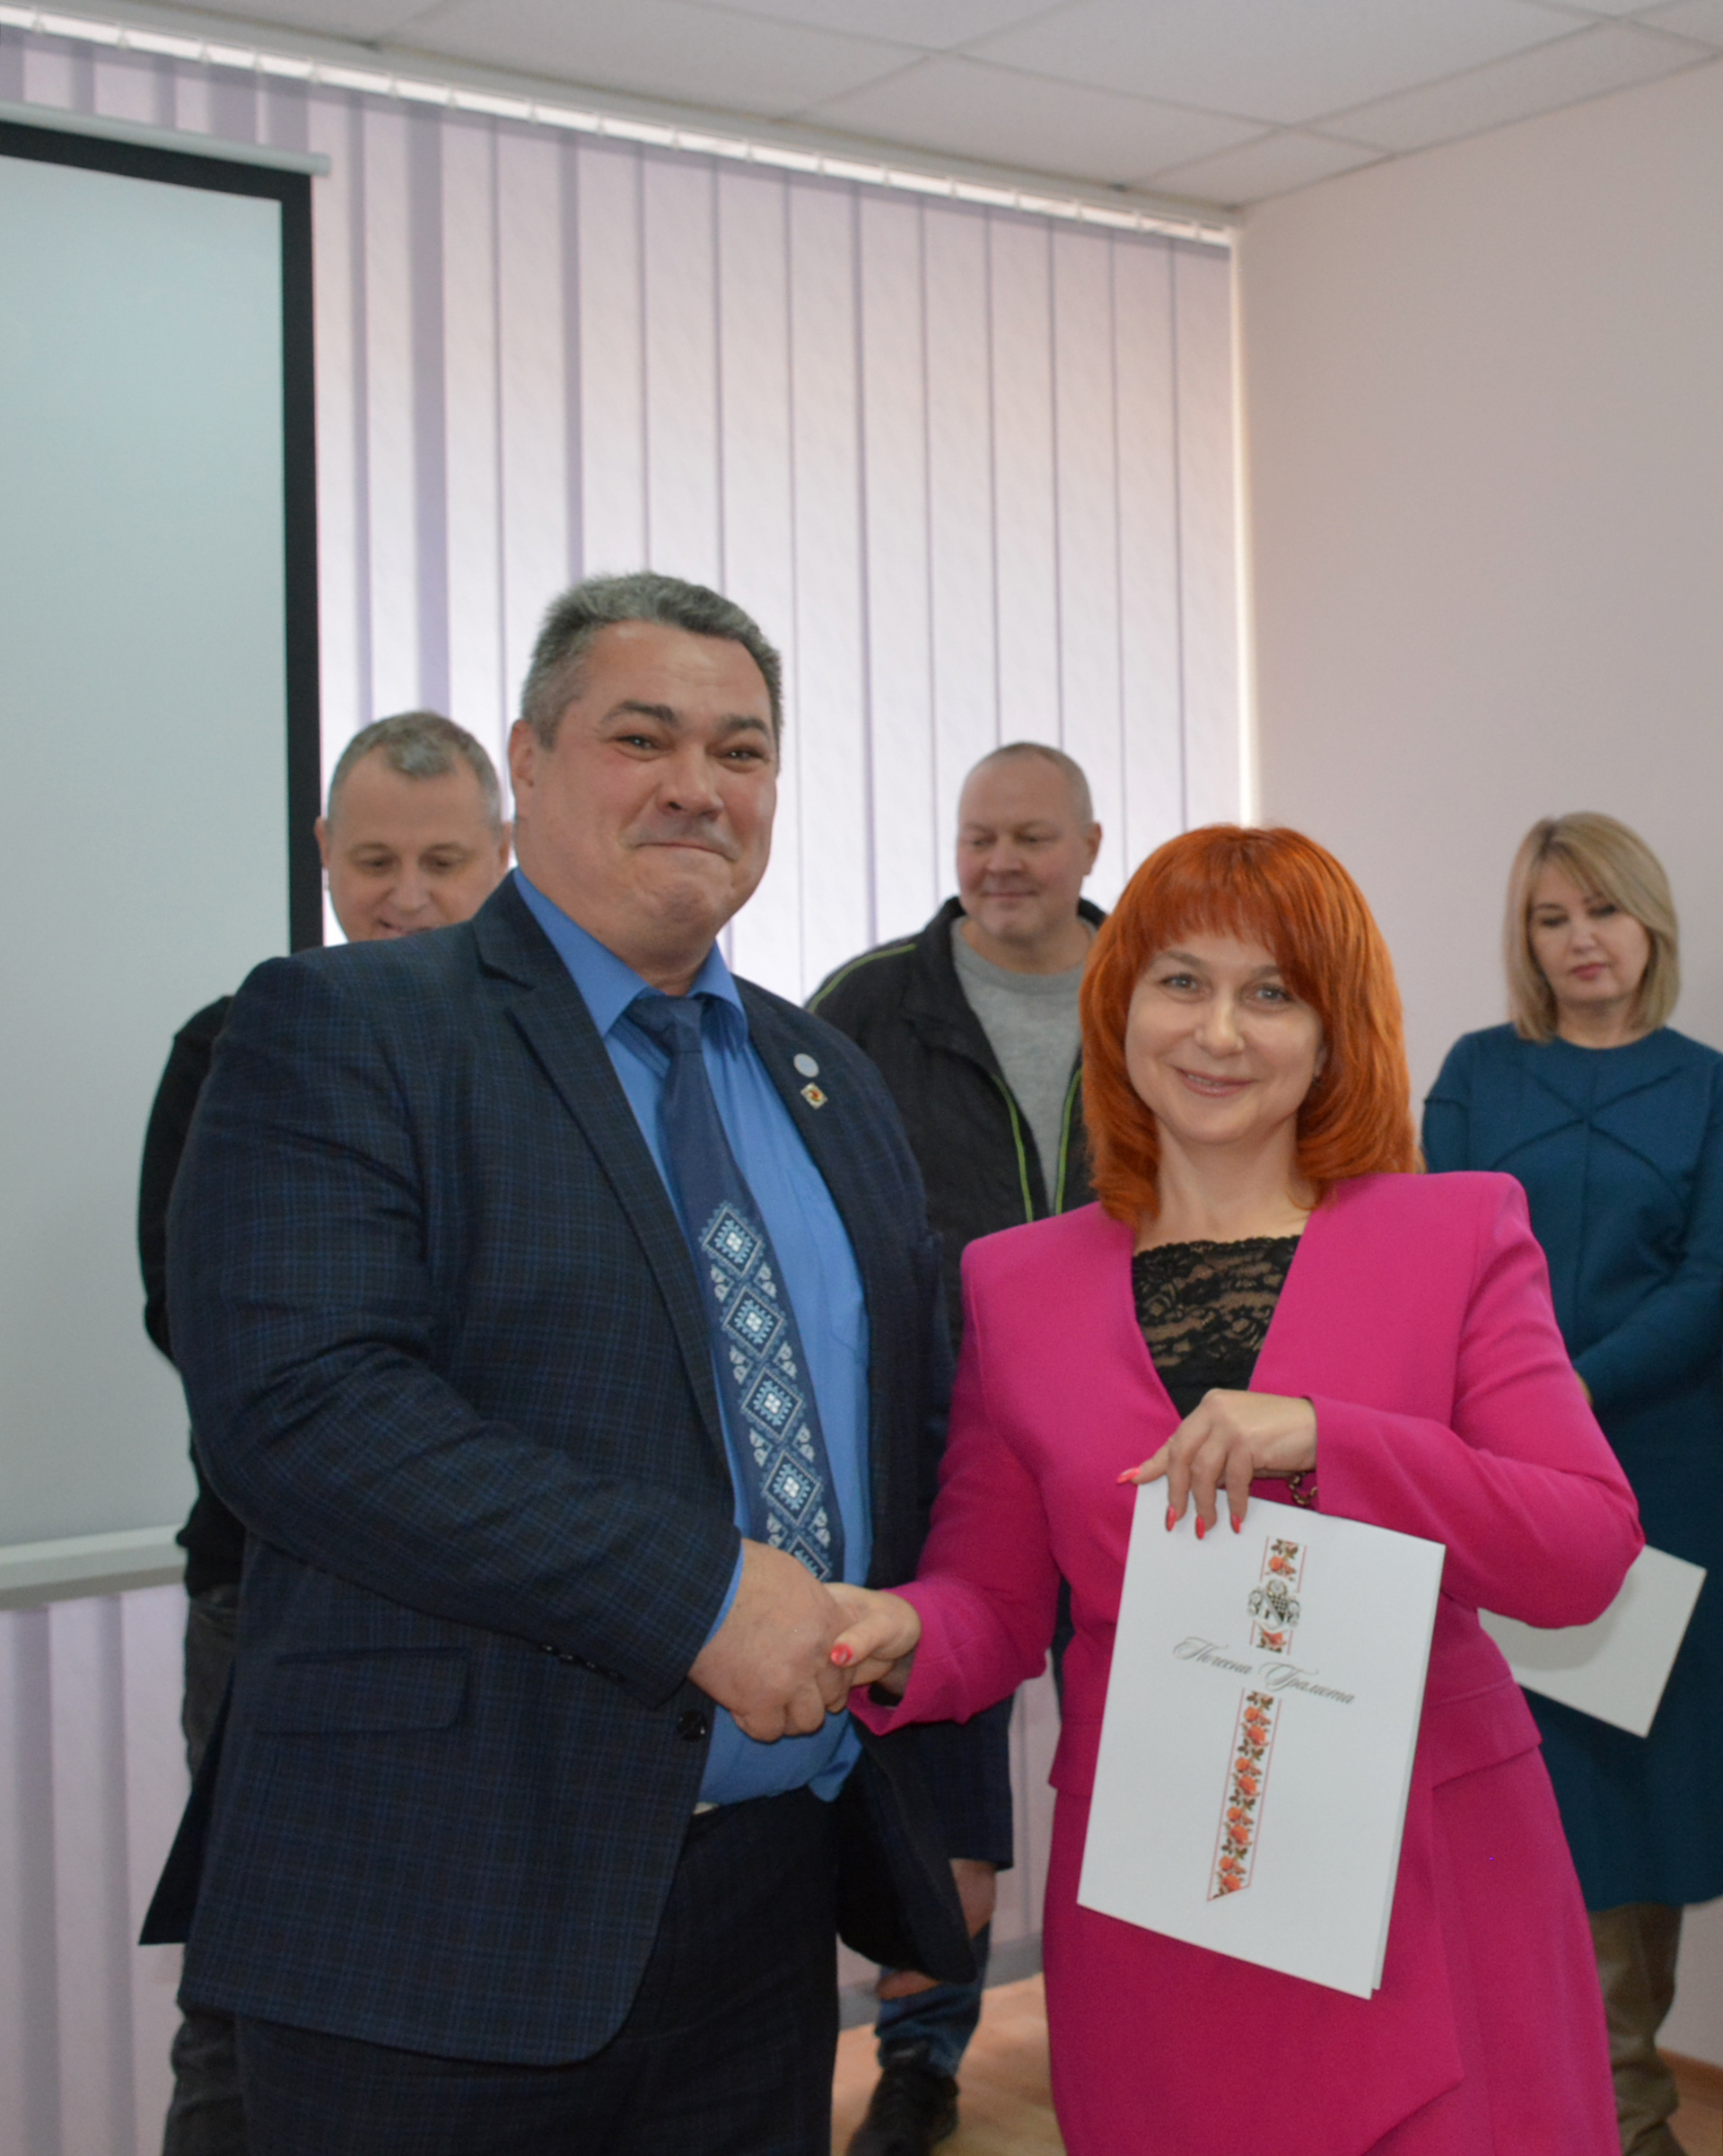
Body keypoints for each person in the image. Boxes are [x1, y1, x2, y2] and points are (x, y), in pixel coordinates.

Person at [141, 572, 996, 2156]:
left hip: (763, 1912)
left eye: (741, 749)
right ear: (527, 763)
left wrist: (951, 1797)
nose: (698, 785)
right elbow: (304, 1410)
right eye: (642, 737)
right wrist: (700, 1593)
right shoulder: (344, 1026)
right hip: (437, 1910)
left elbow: (916, 1451)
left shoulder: (826, 1075)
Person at [827, 823, 1641, 2156]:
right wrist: (896, 1630)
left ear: (1334, 1033)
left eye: (1272, 992)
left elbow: (1584, 1550)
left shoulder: (1457, 1233)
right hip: (1162, 1880)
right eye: (1181, 982)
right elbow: (995, 1595)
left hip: (1432, 1870)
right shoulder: (1016, 1283)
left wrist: (1331, 1439)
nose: (1219, 1031)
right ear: (1120, 1006)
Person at [139, 709, 512, 2155]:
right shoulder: (242, 1043)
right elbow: (210, 1330)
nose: (404, 896)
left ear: (503, 852)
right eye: (372, 862)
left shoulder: (559, 1056)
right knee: (252, 1998)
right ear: (323, 857)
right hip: (275, 1591)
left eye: (441, 861)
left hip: (516, 1598)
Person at [809, 741, 1102, 2155]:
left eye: (1029, 836)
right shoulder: (867, 1006)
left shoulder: (1160, 984)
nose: (998, 862)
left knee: (1144, 1738)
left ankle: (1134, 2027)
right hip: (942, 1439)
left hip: (1135, 1442)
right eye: (978, 834)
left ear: (1089, 846)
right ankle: (920, 2061)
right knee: (940, 1763)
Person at [1423, 811, 1723, 2156]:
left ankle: (1630, 2109)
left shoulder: (1708, 1086)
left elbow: (1712, 1282)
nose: (1580, 938)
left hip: (1662, 1483)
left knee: (1636, 1799)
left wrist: (1563, 1392)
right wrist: (1517, 1413)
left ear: (1649, 922)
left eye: (1602, 909)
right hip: (1495, 1480)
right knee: (1509, 1777)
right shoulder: (1477, 1072)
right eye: (1551, 918)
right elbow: (1436, 1251)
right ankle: (1529, 2101)